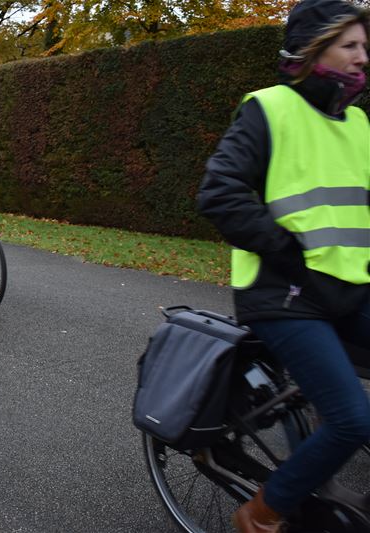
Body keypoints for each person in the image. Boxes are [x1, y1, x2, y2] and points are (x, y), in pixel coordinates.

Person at [197, 1, 370, 531]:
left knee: (340, 412)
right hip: (285, 295)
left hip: (347, 289)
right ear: (316, 48)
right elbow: (220, 193)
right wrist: (289, 253)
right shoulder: (269, 108)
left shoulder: (359, 121)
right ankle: (261, 514)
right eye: (351, 46)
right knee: (350, 420)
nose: (364, 57)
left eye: (367, 46)